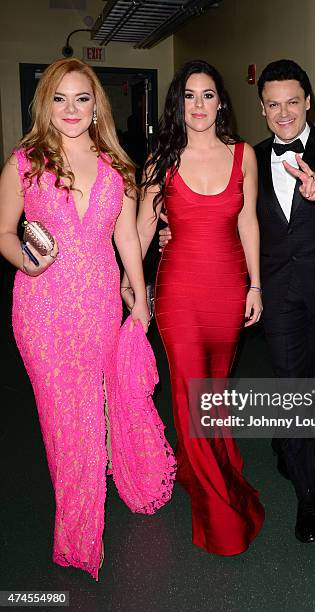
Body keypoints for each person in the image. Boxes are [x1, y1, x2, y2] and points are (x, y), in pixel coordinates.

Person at [160, 59, 315, 544]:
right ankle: (308, 499)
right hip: (277, 294)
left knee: (308, 382)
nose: (284, 113)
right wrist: (171, 232)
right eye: (274, 104)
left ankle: (285, 440)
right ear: (262, 109)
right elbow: (234, 222)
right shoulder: (248, 156)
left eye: (293, 103)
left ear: (308, 103)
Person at [0, 58, 152, 579]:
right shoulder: (26, 160)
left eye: (81, 98)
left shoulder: (116, 163)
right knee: (64, 422)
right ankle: (77, 532)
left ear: (96, 106)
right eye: (59, 98)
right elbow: (3, 233)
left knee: (91, 413)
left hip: (101, 305)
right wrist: (26, 259)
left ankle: (90, 510)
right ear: (46, 103)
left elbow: (127, 236)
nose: (70, 109)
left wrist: (141, 296)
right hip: (41, 309)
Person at [122, 59, 265, 555]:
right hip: (179, 291)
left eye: (207, 95)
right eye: (189, 95)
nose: (199, 105)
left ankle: (206, 462)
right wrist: (133, 287)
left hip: (229, 289)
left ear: (221, 101)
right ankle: (219, 513)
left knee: (214, 392)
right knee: (189, 392)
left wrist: (256, 285)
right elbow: (142, 228)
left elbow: (248, 222)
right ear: (177, 104)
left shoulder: (244, 155)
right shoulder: (162, 159)